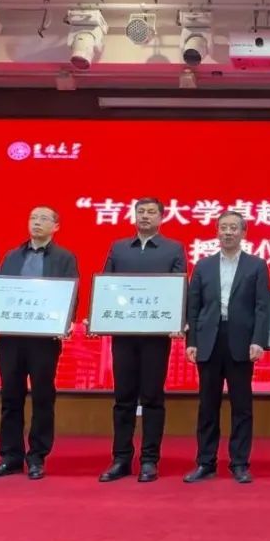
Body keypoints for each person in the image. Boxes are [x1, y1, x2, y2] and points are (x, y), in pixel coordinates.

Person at [0, 206, 79, 480]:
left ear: (56, 226)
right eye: (33, 218)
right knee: (10, 397)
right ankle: (10, 456)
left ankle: (37, 457)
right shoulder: (12, 255)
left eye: (44, 219)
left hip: (44, 339)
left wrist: (65, 321)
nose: (37, 222)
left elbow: (71, 292)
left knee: (42, 397)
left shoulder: (64, 257)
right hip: (10, 338)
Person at [97, 198, 188, 484]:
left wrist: (178, 321)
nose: (145, 216)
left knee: (152, 397)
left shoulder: (173, 248)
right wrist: (98, 316)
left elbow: (180, 288)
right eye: (140, 212)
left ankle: (149, 459)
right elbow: (106, 285)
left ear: (161, 217)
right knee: (123, 398)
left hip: (155, 336)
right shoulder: (119, 247)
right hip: (124, 334)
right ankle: (121, 458)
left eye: (151, 212)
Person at [183, 211, 270, 484]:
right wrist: (191, 341)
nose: (228, 232)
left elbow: (262, 307)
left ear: (244, 233)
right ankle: (205, 462)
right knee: (207, 406)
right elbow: (193, 307)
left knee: (241, 406)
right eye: (224, 227)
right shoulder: (203, 265)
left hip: (241, 341)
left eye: (234, 227)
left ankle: (240, 463)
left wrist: (258, 340)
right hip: (209, 340)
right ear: (217, 232)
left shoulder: (257, 265)